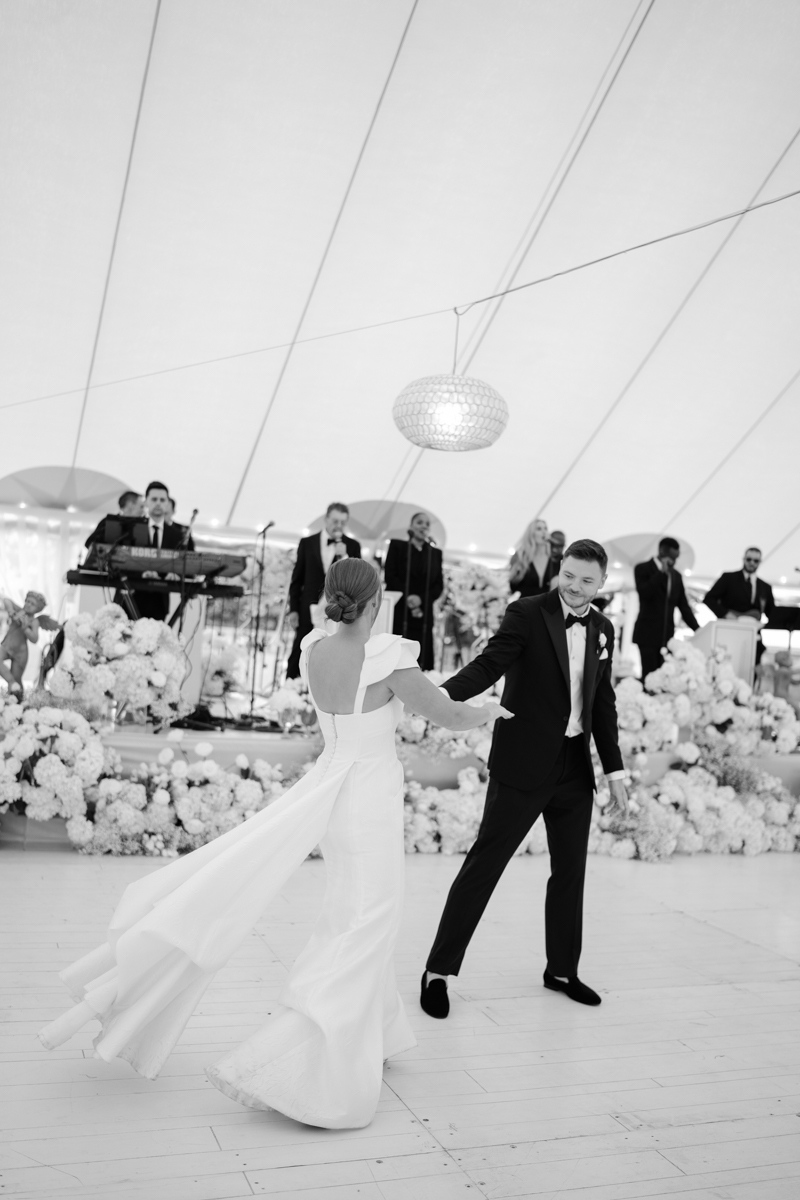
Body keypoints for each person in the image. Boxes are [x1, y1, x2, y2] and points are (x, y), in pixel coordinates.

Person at [38, 558, 510, 1129]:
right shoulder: (387, 658)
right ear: (375, 600)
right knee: (370, 919)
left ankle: (377, 1032)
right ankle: (301, 1050)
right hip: (365, 798)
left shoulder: (315, 649)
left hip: (333, 792)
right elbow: (449, 713)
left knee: (351, 911)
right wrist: (488, 709)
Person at [420, 539, 628, 1020]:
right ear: (560, 571)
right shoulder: (527, 613)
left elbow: (602, 703)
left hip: (575, 768)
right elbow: (491, 664)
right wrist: (439, 698)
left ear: (602, 583)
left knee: (570, 874)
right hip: (523, 765)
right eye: (569, 576)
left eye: (586, 581)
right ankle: (437, 972)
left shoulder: (603, 629)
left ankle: (561, 970)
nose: (575, 588)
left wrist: (613, 770)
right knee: (484, 866)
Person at [286, 502, 361, 679]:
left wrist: (344, 556)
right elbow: (297, 579)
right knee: (300, 649)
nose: (338, 525)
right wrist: (294, 609)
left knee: (330, 653)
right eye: (335, 520)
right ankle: (291, 688)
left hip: (338, 609)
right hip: (308, 608)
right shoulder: (307, 542)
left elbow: (356, 579)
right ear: (326, 519)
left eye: (343, 522)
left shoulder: (353, 546)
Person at [383, 511, 444, 671]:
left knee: (420, 658)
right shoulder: (398, 547)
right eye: (419, 522)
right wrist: (409, 596)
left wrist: (421, 599)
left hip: (423, 614)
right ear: (411, 526)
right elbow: (390, 575)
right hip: (400, 609)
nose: (423, 526)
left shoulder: (434, 554)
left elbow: (438, 584)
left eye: (427, 524)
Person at [633, 537, 698, 682]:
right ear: (662, 551)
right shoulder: (642, 568)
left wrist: (699, 630)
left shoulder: (676, 576)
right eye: (672, 557)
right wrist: (661, 573)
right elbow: (644, 593)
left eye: (677, 558)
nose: (674, 561)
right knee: (650, 679)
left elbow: (684, 607)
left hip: (667, 637)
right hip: (647, 635)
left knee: (666, 680)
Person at [132, 481, 195, 621]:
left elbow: (191, 565)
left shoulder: (178, 536)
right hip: (130, 598)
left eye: (162, 500)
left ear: (168, 504)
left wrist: (177, 575)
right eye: (154, 499)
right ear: (146, 502)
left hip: (159, 604)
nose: (158, 503)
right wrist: (140, 573)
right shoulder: (131, 529)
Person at [703, 547, 775, 664]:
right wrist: (725, 614)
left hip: (752, 636)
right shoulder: (729, 578)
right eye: (749, 559)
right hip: (729, 631)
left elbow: (771, 612)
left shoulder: (765, 587)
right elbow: (709, 598)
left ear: (760, 562)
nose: (752, 563)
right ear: (744, 559)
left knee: (753, 663)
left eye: (755, 561)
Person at [0, 591, 47, 695]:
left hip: (20, 653)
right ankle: (11, 682)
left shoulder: (34, 621)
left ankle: (17, 701)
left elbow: (34, 639)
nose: (28, 604)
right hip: (6, 646)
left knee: (17, 679)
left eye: (32, 604)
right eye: (27, 601)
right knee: (13, 681)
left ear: (38, 609)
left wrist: (25, 628)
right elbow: (7, 600)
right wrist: (11, 611)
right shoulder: (19, 611)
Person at [509, 518, 558, 597]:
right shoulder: (521, 557)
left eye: (545, 528)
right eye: (539, 529)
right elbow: (512, 586)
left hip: (546, 607)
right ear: (531, 534)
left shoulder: (554, 559)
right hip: (525, 606)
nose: (544, 532)